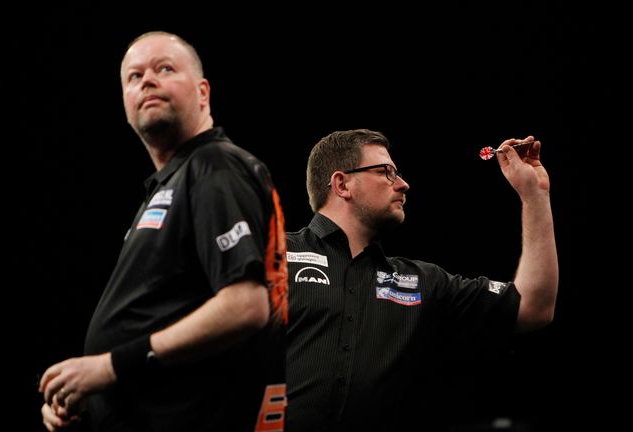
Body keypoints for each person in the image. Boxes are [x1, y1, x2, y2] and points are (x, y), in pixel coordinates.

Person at [38, 31, 288, 432]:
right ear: (124, 101)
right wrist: (90, 396)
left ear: (203, 92)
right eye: (134, 77)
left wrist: (110, 365)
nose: (147, 81)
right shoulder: (172, 183)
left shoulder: (214, 167)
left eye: (164, 69)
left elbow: (245, 304)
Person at [286, 129, 558, 431]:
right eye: (386, 172)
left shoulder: (420, 281)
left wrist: (535, 196)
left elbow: (534, 307)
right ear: (342, 184)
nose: (403, 184)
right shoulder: (276, 255)